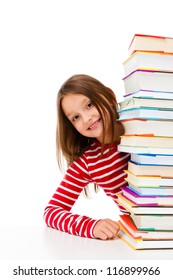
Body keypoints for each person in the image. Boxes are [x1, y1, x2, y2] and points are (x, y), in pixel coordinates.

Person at [44, 74, 130, 240]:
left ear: (109, 97)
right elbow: (52, 212)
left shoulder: (144, 123)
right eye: (75, 117)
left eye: (89, 105)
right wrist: (92, 226)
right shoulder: (87, 162)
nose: (86, 118)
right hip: (147, 235)